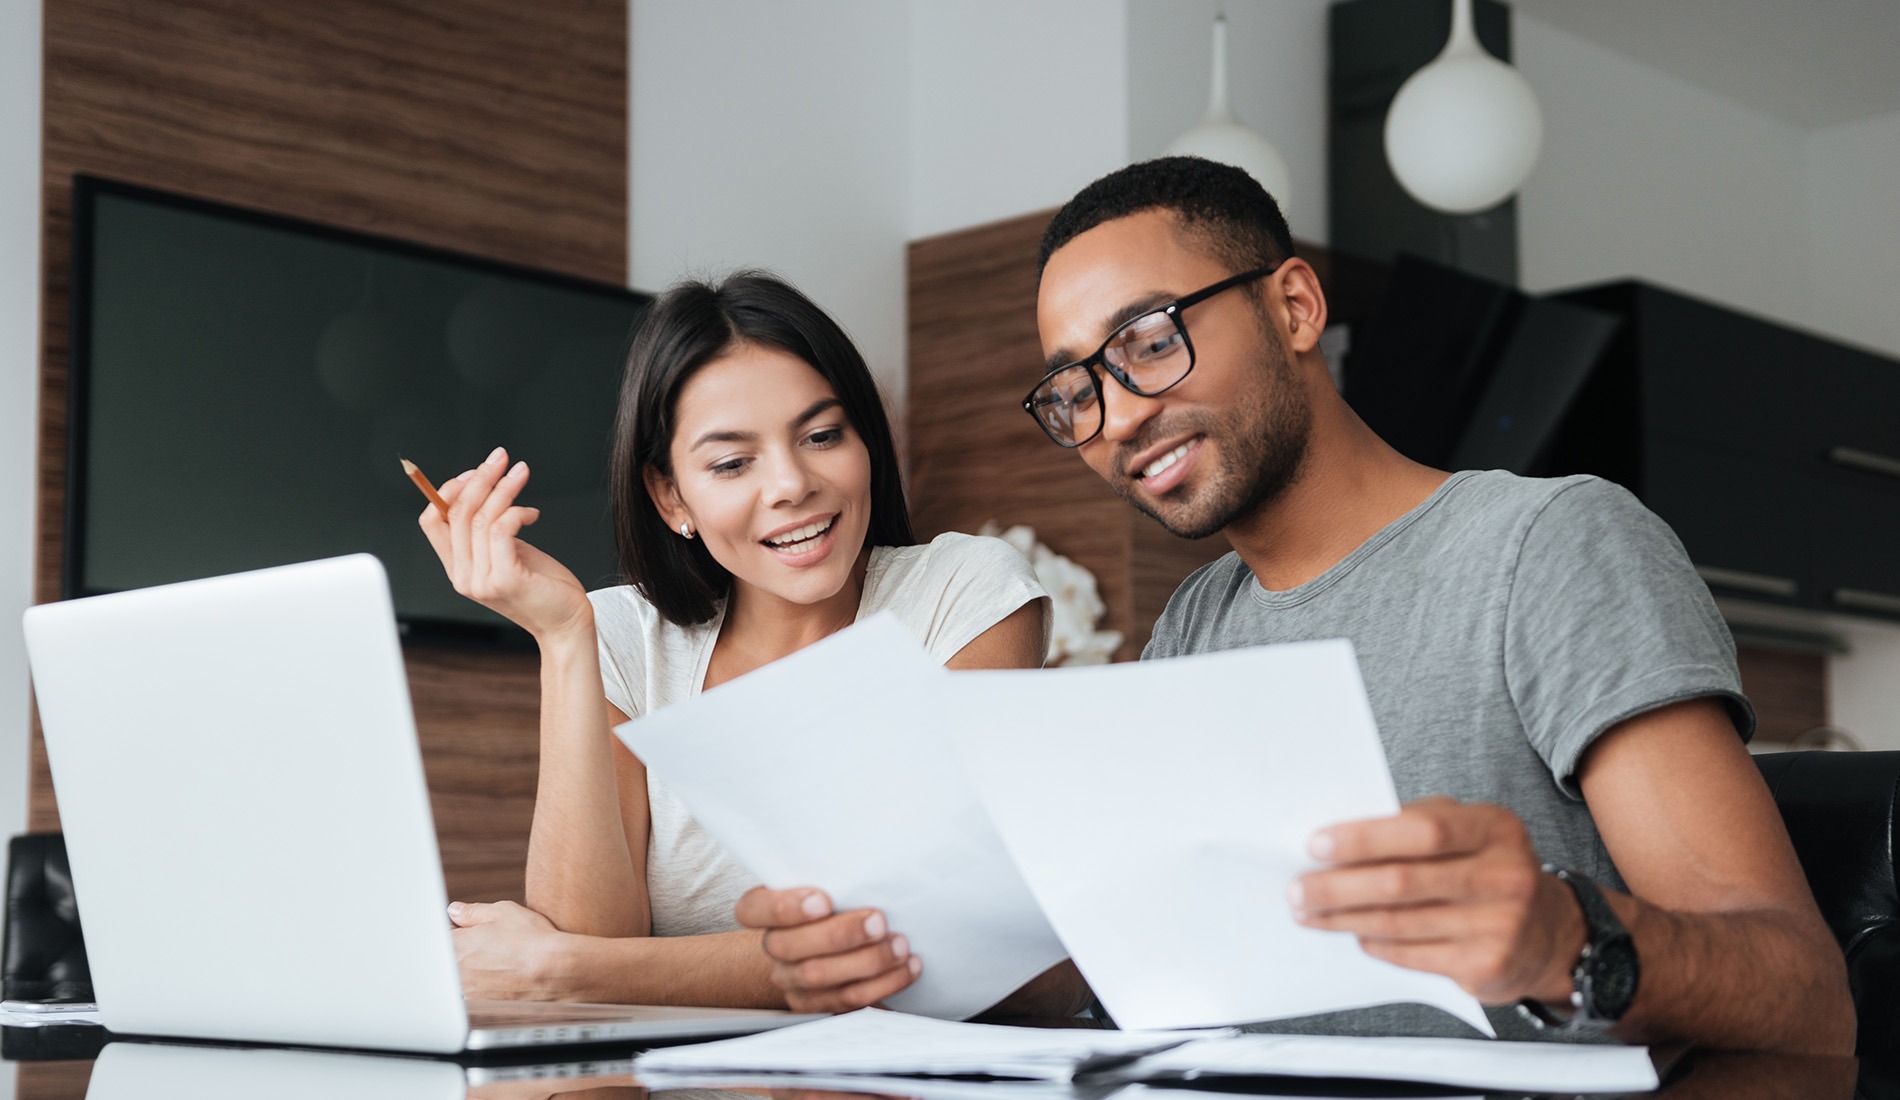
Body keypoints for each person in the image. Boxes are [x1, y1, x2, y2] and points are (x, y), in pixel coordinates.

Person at [740, 158, 1856, 1052]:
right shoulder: (1193, 620)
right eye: (1074, 390)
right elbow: (1139, 975)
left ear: (1292, 304)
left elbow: (1805, 995)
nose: (1117, 416)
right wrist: (891, 956)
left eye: (1146, 341)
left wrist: (1568, 937)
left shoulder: (1549, 544)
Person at [419, 271, 1072, 1013]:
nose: (792, 484)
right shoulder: (622, 635)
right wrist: (565, 638)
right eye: (732, 463)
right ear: (671, 498)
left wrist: (564, 970)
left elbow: (926, 939)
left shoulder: (963, 593)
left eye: (823, 436)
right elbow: (590, 937)